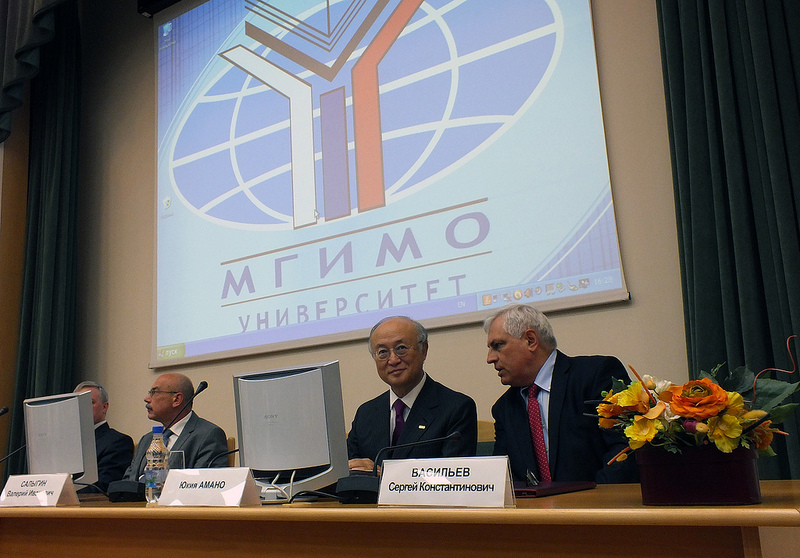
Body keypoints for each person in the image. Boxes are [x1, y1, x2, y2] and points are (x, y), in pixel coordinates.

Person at [485, 304, 636, 484]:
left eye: (498, 346)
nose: (490, 358)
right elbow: (503, 478)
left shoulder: (596, 375)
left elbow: (625, 449)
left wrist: (592, 498)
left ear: (531, 340)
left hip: (601, 499)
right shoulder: (504, 408)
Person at [347, 316, 477, 471]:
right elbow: (348, 474)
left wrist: (386, 477)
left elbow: (452, 477)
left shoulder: (457, 408)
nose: (393, 360)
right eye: (382, 352)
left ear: (424, 350)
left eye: (401, 348)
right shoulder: (365, 414)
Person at [123, 373, 228, 481]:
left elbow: (203, 483)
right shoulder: (147, 439)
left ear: (176, 399)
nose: (146, 398)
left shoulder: (208, 435)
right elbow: (127, 482)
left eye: (154, 392)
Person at [73, 381, 134, 493]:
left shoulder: (118, 442)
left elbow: (103, 486)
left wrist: (64, 492)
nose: (82, 406)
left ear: (104, 407)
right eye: (78, 402)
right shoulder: (66, 442)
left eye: (90, 402)